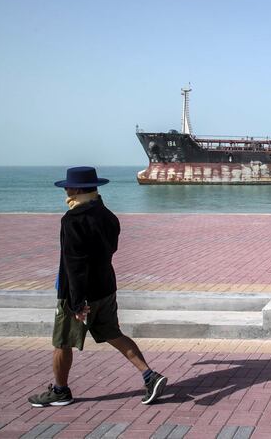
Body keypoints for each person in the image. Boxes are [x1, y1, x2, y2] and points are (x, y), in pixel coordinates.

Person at [28, 167, 167, 407]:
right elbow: (109, 250)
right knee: (113, 333)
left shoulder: (72, 220)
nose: (66, 190)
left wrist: (77, 301)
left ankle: (60, 391)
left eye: (69, 186)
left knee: (61, 343)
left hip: (79, 294)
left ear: (78, 189)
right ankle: (149, 375)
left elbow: (74, 263)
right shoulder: (108, 216)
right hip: (106, 287)